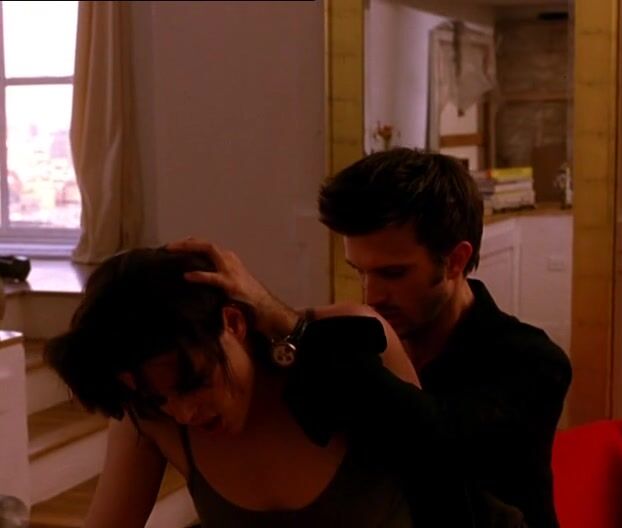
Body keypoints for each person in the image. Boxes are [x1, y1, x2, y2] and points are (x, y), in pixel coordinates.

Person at [169, 148, 572, 527]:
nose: (372, 295)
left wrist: (282, 320)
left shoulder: (534, 362)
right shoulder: (357, 346)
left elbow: (431, 438)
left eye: (393, 273)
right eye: (360, 271)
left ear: (455, 261)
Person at [44, 247, 422, 528]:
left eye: (194, 383)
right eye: (157, 398)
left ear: (234, 324)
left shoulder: (354, 343)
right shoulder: (147, 416)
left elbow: (441, 471)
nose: (183, 413)